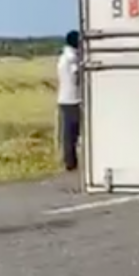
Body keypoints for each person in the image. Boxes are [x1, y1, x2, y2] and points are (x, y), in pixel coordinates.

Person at [57, 30, 81, 171]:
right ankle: (71, 162)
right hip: (74, 98)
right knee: (73, 133)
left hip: (64, 97)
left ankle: (69, 161)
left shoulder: (63, 57)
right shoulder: (73, 59)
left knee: (68, 134)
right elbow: (76, 76)